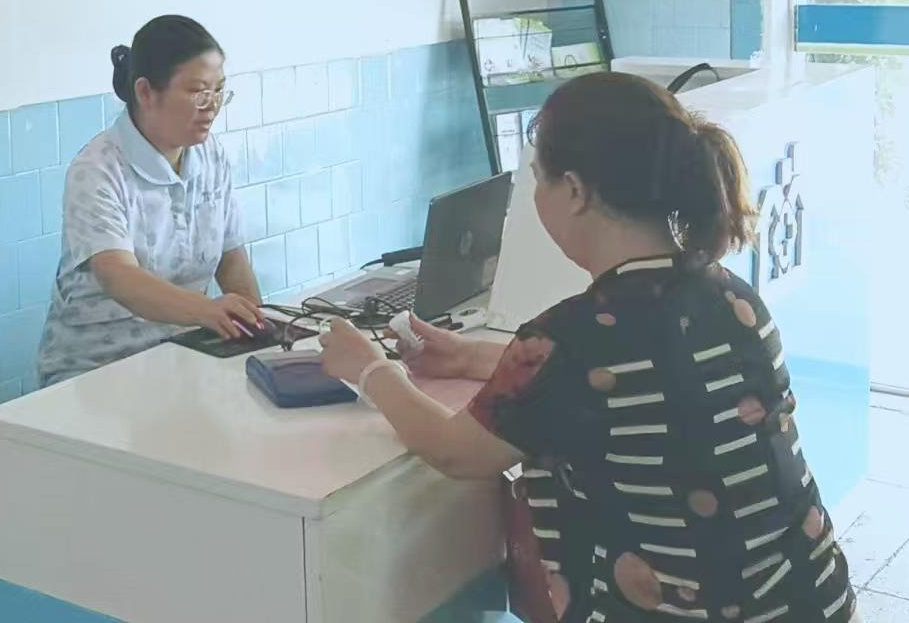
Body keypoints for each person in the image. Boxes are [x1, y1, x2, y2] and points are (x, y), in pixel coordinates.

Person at [318, 72, 858, 623]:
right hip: (818, 601)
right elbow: (648, 377)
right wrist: (470, 357)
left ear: (575, 191)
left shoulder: (570, 338)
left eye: (538, 179)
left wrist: (369, 370)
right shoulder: (730, 296)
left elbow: (457, 451)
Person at [35, 15, 263, 387]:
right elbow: (119, 275)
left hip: (185, 353)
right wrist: (207, 311)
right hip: (95, 370)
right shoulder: (98, 169)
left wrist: (260, 331)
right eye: (198, 92)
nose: (212, 106)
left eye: (220, 91)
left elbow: (231, 256)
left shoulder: (211, 155)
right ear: (145, 92)